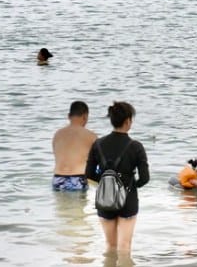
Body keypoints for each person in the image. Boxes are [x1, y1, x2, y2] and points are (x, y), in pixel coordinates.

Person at [85, 101, 149, 254]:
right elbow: (145, 178)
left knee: (110, 246)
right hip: (128, 199)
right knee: (125, 246)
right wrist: (132, 185)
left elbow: (88, 174)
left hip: (105, 198)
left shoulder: (98, 144)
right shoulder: (136, 146)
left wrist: (106, 182)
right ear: (128, 121)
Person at [51, 101, 97, 192]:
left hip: (58, 179)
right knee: (78, 206)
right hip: (78, 179)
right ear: (85, 116)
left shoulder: (57, 134)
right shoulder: (91, 136)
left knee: (62, 206)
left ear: (68, 116)